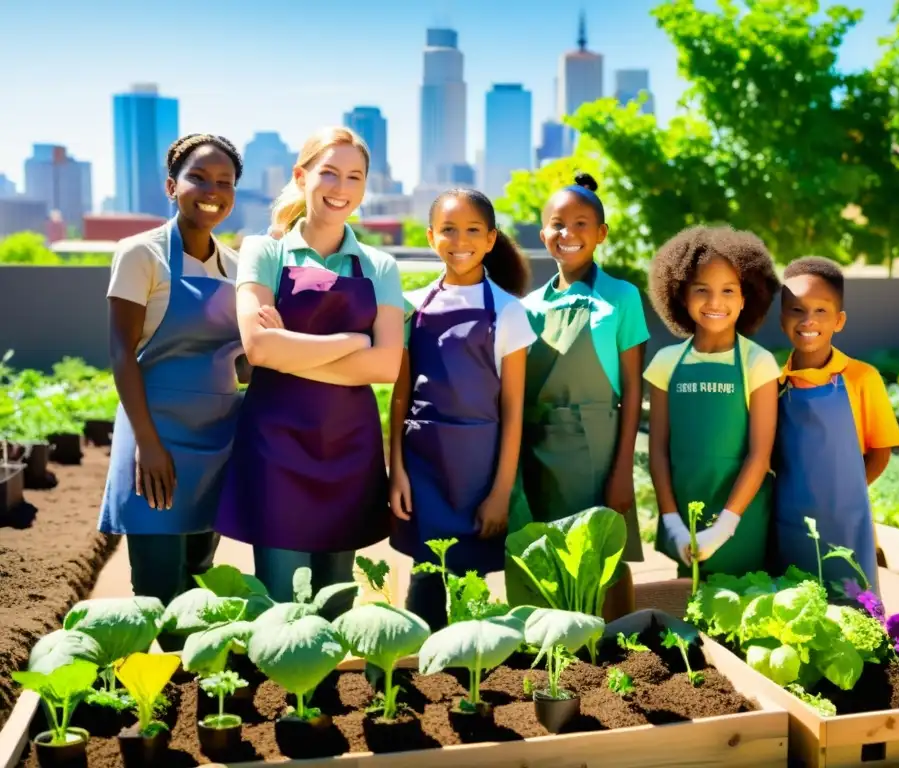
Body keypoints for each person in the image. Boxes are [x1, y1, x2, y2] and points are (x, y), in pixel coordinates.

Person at [216, 127, 404, 609]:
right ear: (302, 177)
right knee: (283, 602)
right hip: (276, 444)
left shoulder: (379, 266)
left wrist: (291, 352)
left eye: (354, 177)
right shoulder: (264, 251)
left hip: (348, 446)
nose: (341, 188)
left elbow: (386, 365)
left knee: (338, 601)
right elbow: (258, 349)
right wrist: (350, 340)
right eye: (329, 173)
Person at [99, 134, 246, 608]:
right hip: (155, 432)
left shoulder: (239, 267)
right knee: (158, 583)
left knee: (200, 577)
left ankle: (199, 678)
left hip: (218, 438)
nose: (212, 190)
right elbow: (122, 353)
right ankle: (154, 680)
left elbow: (242, 363)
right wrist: (147, 443)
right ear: (171, 186)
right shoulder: (140, 254)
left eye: (224, 181)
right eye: (198, 178)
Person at [389, 189, 534, 630]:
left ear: (491, 239)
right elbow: (398, 397)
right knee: (424, 584)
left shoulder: (508, 312)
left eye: (473, 230)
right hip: (423, 468)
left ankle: (469, 685)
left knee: (472, 596)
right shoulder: (411, 306)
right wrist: (396, 470)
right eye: (448, 229)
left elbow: (513, 409)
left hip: (479, 474)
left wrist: (500, 493)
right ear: (431, 236)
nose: (460, 240)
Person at [518, 173, 649, 621]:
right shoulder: (529, 306)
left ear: (601, 233)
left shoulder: (622, 297)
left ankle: (620, 650)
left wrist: (622, 473)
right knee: (550, 560)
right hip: (537, 451)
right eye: (557, 224)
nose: (568, 234)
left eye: (580, 224)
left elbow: (633, 392)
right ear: (543, 235)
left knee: (605, 560)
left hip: (598, 449)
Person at [645, 226, 781, 576]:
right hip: (681, 524)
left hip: (740, 520)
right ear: (681, 295)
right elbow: (658, 451)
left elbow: (760, 455)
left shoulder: (758, 362)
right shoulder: (666, 362)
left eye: (728, 291)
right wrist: (672, 522)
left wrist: (725, 527)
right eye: (701, 290)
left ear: (745, 298)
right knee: (685, 616)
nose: (715, 302)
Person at [772, 257, 899, 591]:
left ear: (839, 320)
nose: (808, 320)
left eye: (821, 311)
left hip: (847, 523)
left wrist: (847, 497)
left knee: (853, 607)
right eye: (797, 310)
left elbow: (880, 451)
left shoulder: (863, 378)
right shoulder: (774, 382)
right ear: (782, 317)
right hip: (788, 520)